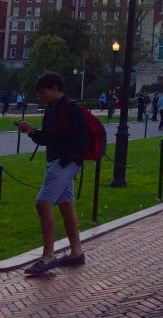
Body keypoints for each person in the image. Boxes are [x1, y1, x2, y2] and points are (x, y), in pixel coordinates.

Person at [17, 72, 86, 275]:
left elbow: (80, 139)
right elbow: (46, 138)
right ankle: (76, 252)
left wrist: (66, 161)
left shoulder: (71, 108)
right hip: (58, 161)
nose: (41, 96)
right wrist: (31, 131)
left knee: (43, 202)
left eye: (43, 92)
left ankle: (48, 256)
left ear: (55, 88)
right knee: (66, 206)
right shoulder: (52, 110)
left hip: (64, 163)